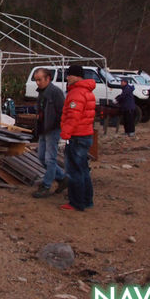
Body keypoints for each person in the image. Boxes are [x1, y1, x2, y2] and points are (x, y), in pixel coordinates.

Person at [59, 65, 96, 211]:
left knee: (74, 171)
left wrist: (64, 135)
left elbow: (73, 117)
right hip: (85, 134)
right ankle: (87, 200)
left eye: (69, 75)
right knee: (83, 170)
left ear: (76, 76)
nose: (67, 78)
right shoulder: (87, 91)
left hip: (77, 136)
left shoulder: (76, 93)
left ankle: (76, 202)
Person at [31, 68, 68, 198]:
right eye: (36, 80)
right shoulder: (42, 92)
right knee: (41, 157)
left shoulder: (55, 92)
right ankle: (62, 178)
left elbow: (62, 112)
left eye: (40, 79)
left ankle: (46, 185)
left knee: (50, 158)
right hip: (43, 129)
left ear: (48, 78)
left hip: (52, 129)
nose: (38, 82)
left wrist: (54, 124)